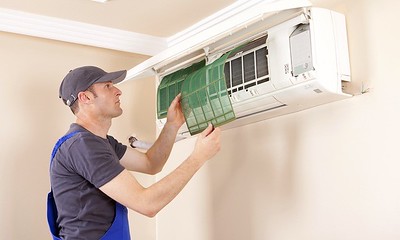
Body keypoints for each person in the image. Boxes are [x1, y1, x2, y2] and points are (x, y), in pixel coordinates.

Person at [47, 66, 221, 240]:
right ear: (85, 97)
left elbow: (151, 163)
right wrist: (198, 157)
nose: (118, 91)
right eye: (108, 86)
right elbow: (147, 203)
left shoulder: (102, 143)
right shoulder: (82, 146)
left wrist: (172, 125)